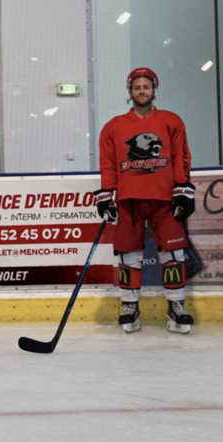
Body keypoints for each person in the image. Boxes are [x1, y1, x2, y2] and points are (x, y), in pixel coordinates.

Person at [94, 68, 195, 334]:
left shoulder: (171, 121)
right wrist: (106, 195)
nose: (142, 91)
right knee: (128, 254)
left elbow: (181, 157)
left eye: (146, 87)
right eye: (136, 87)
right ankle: (130, 306)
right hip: (128, 200)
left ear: (154, 90)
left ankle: (176, 305)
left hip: (164, 198)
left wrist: (183, 188)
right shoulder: (113, 126)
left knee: (173, 253)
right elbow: (107, 164)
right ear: (130, 92)